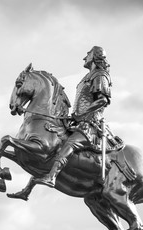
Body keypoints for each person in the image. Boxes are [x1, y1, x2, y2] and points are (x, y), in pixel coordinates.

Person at [36, 46, 121, 188]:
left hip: (91, 124)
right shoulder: (88, 76)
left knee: (70, 144)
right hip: (79, 122)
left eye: (88, 54)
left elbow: (103, 100)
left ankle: (52, 177)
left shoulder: (100, 74)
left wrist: (82, 114)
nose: (84, 57)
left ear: (94, 56)